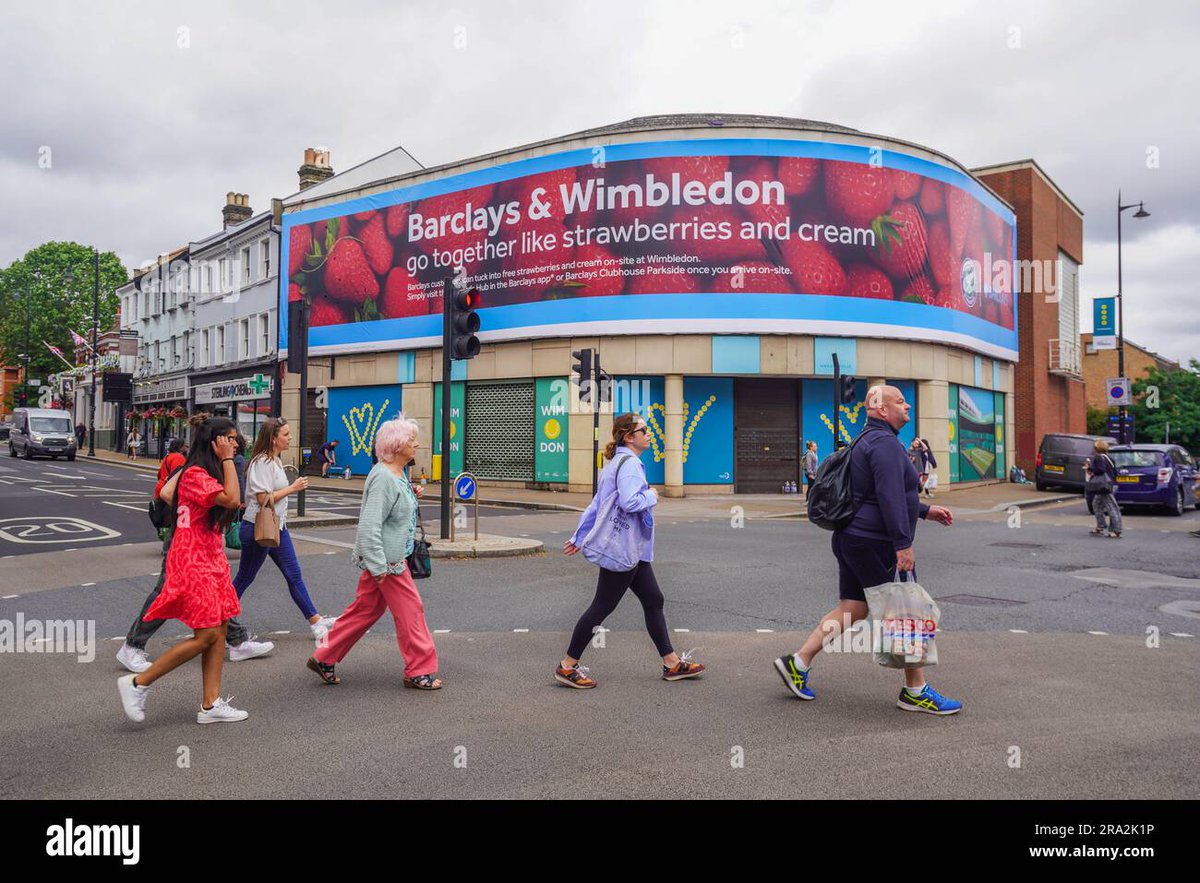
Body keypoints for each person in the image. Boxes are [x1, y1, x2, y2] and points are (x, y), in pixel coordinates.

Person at [774, 385, 961, 714]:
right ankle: (915, 690)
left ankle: (798, 664)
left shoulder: (865, 439)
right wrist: (903, 544)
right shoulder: (887, 445)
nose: (908, 407)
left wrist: (925, 511)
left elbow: (878, 493)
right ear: (882, 410)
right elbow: (889, 496)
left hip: (850, 537)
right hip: (874, 541)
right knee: (903, 612)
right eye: (900, 402)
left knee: (853, 607)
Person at [556, 412, 705, 689]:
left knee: (653, 599)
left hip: (631, 549)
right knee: (602, 607)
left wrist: (579, 536)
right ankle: (567, 666)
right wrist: (652, 495)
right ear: (629, 436)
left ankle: (671, 663)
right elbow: (630, 502)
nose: (648, 434)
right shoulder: (630, 465)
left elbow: (596, 505)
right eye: (644, 430)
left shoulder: (616, 462)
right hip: (622, 550)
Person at [117, 417, 250, 724]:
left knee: (218, 631)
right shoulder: (193, 474)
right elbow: (232, 499)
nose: (234, 443)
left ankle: (211, 703)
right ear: (213, 442)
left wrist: (228, 461)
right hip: (193, 561)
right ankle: (138, 683)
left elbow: (232, 502)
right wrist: (229, 460)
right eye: (228, 439)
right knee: (205, 635)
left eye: (234, 439)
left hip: (211, 559)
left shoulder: (209, 471)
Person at [307, 414, 442, 689]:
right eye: (411, 441)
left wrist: (410, 494)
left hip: (385, 557)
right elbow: (370, 525)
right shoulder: (383, 476)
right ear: (397, 444)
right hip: (388, 560)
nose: (416, 445)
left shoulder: (396, 473)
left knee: (364, 610)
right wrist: (379, 566)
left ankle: (325, 656)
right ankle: (419, 670)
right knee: (411, 611)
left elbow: (391, 510)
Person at [235, 417, 337, 639]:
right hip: (257, 529)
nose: (290, 438)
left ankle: (316, 621)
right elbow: (263, 498)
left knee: (294, 574)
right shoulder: (261, 462)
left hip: (276, 527)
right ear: (273, 439)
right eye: (286, 434)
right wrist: (293, 488)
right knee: (244, 578)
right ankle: (219, 621)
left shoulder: (275, 460)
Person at [1086, 440, 1122, 538]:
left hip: (1104, 486)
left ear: (1097, 448)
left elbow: (1100, 470)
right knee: (1096, 504)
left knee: (1111, 507)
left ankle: (1117, 530)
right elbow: (1114, 472)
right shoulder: (1108, 458)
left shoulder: (1099, 457)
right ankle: (1100, 526)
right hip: (1110, 484)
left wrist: (1089, 468)